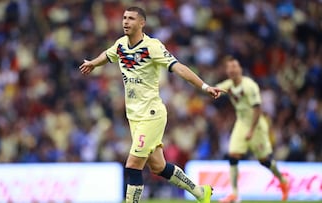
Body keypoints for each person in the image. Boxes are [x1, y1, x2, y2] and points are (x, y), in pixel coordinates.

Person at [79, 6, 226, 203]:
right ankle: (200, 192)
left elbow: (179, 67)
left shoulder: (152, 46)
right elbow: (107, 55)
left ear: (142, 23)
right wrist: (93, 63)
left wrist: (204, 86)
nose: (125, 22)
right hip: (134, 117)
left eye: (131, 18)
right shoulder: (121, 44)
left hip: (151, 113)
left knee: (132, 165)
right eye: (124, 18)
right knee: (158, 166)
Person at [216, 56, 290, 203]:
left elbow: (257, 109)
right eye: (229, 67)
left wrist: (251, 130)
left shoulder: (250, 86)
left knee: (264, 160)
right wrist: (204, 87)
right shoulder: (229, 84)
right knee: (233, 155)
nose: (232, 69)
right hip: (241, 123)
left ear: (240, 69)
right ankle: (235, 194)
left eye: (235, 66)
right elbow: (214, 88)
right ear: (227, 71)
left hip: (256, 125)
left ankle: (283, 180)